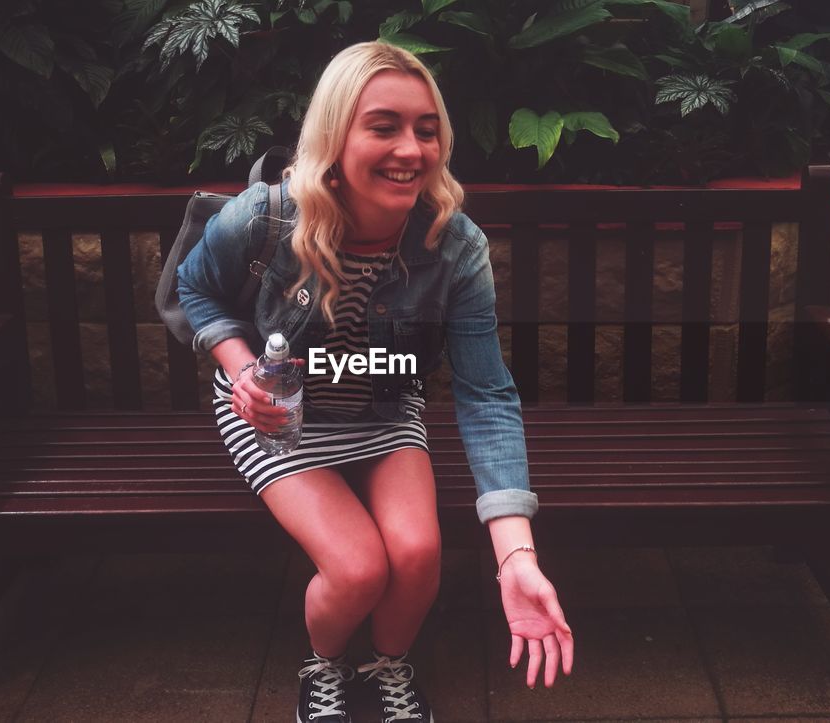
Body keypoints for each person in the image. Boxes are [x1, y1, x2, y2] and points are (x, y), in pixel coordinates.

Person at [177, 41, 574, 722]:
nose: (412, 148)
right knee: (359, 567)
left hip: (382, 404)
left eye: (426, 128)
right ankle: (323, 664)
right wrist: (242, 369)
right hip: (282, 414)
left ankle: (388, 663)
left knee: (418, 556)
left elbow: (486, 392)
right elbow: (197, 288)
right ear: (335, 134)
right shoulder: (266, 216)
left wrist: (516, 557)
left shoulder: (455, 245)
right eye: (383, 126)